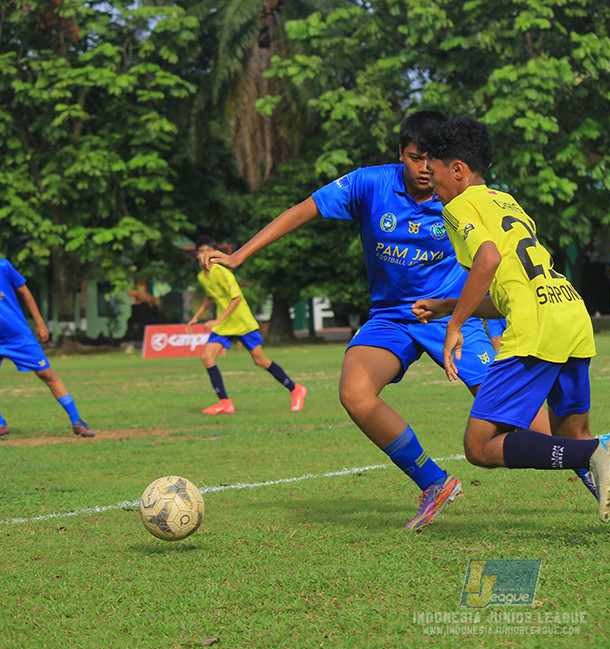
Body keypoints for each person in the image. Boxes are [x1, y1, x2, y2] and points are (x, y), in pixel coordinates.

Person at [199, 111, 561, 531]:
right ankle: (434, 482)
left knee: (522, 415)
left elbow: (497, 259)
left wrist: (494, 323)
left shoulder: (461, 197)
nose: (424, 168)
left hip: (449, 314)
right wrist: (240, 255)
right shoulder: (370, 183)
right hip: (391, 317)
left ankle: (592, 465)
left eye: (432, 159)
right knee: (354, 392)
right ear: (400, 155)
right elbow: (304, 210)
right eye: (414, 157)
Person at [413, 115, 610, 538]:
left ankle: (600, 453)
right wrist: (452, 305)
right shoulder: (505, 200)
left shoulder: (458, 206)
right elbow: (510, 287)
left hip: (536, 326)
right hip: (567, 310)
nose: (429, 183)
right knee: (574, 434)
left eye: (433, 173)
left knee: (479, 446)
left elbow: (487, 260)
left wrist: (454, 325)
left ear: (457, 170)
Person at [187, 235, 307, 415]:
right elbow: (211, 297)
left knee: (260, 360)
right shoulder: (202, 276)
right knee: (207, 357)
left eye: (208, 251)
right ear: (196, 254)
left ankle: (295, 388)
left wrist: (217, 321)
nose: (204, 254)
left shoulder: (221, 270)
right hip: (225, 324)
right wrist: (196, 316)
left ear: (214, 253)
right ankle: (225, 402)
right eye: (201, 251)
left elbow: (236, 298)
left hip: (241, 320)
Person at [0, 257, 95, 438]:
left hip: (18, 335)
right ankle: (1, 425)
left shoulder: (3, 266)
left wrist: (40, 323)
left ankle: (77, 421)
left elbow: (25, 292)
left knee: (48, 375)